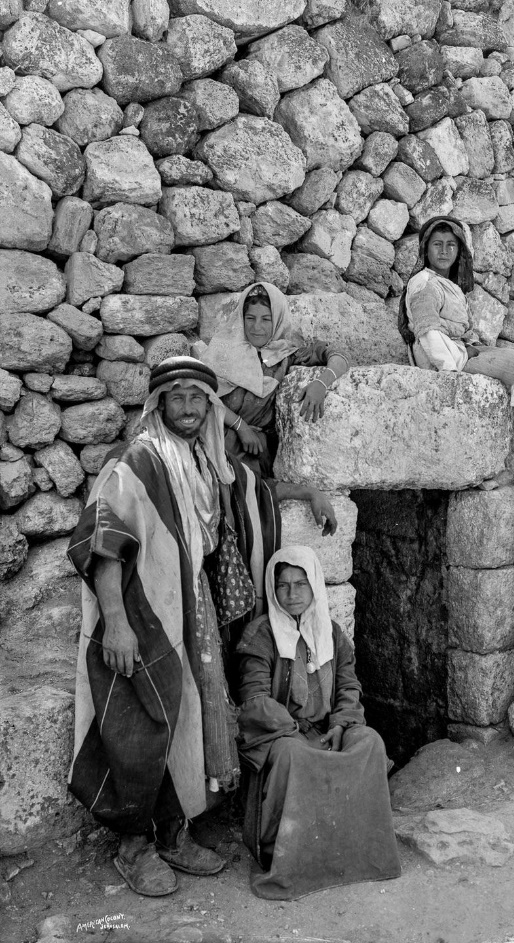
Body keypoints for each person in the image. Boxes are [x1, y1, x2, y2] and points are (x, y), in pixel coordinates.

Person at [67, 356, 337, 898]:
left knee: (188, 718)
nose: (188, 407)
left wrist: (307, 494)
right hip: (146, 614)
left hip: (195, 611)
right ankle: (132, 845)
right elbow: (104, 542)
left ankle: (171, 832)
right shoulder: (137, 462)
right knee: (141, 723)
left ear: (209, 407)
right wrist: (116, 624)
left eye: (198, 398)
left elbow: (253, 491)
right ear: (159, 403)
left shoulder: (207, 460)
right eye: (178, 397)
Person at [236, 546, 401, 900]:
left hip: (327, 729)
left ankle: (356, 851)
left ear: (314, 587)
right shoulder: (260, 635)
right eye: (283, 586)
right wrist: (293, 731)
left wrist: (341, 725)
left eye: (300, 584)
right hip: (283, 733)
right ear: (272, 589)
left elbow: (348, 686)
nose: (292, 594)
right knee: (294, 754)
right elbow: (254, 699)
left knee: (369, 742)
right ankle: (292, 855)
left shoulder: (332, 632)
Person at [194, 281, 351, 476]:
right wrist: (239, 425)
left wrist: (321, 383)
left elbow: (339, 355)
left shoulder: (285, 354)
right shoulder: (222, 349)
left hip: (253, 452)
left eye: (266, 319)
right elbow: (200, 393)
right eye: (250, 318)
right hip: (210, 436)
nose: (256, 327)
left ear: (277, 319)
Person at [398, 215, 514, 410]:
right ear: (426, 248)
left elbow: (464, 329)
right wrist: (449, 371)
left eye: (451, 245)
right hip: (441, 357)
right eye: (437, 244)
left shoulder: (449, 285)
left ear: (459, 251)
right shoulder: (425, 283)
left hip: (459, 351)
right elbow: (428, 332)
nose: (444, 251)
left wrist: (472, 346)